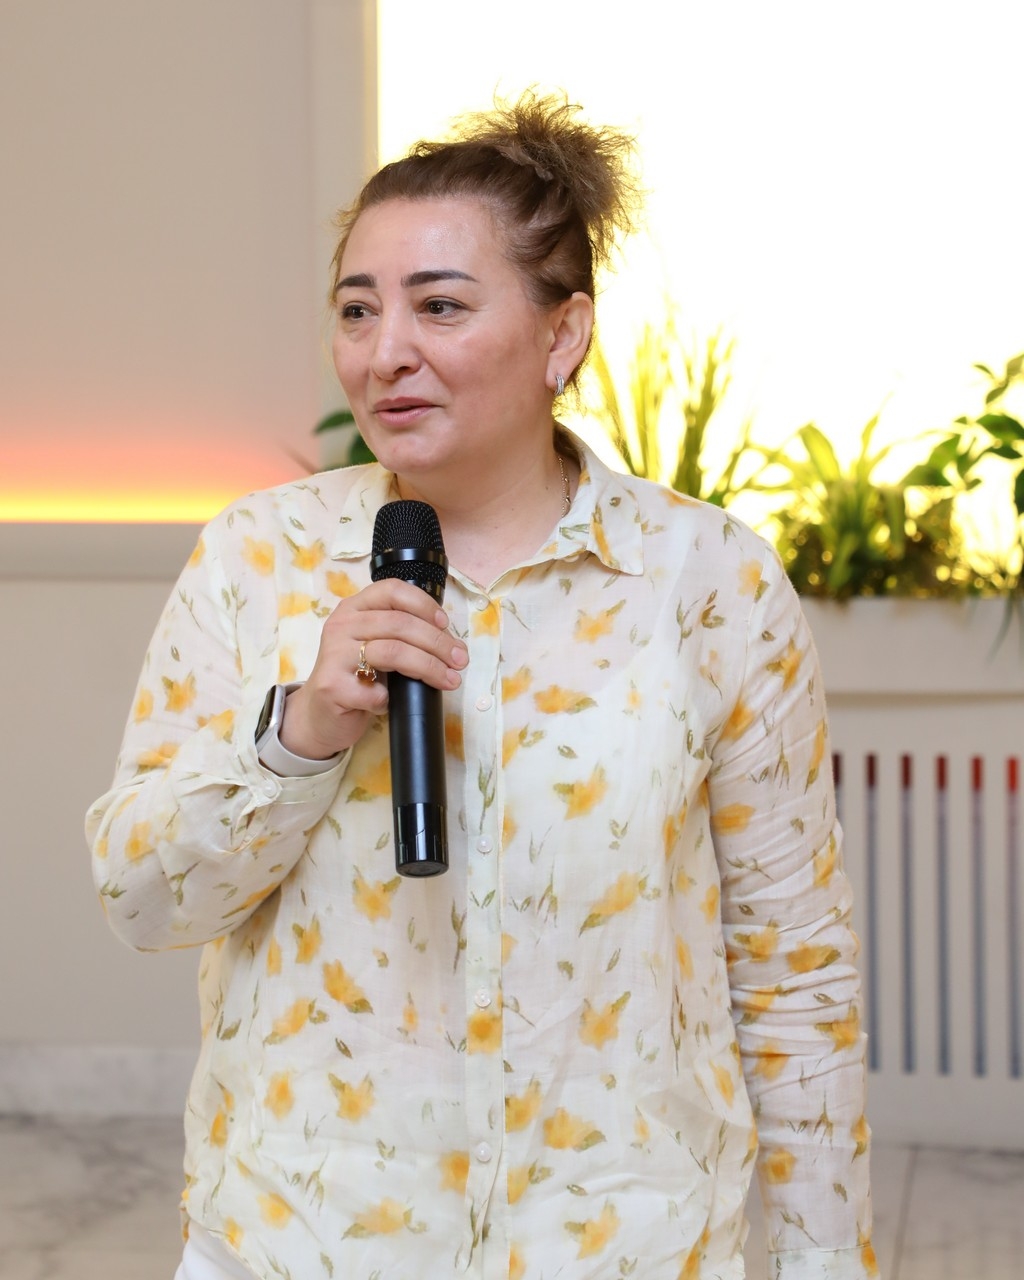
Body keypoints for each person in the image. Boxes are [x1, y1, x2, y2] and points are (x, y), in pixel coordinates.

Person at [86, 91, 876, 1279]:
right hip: (303, 1241)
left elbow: (795, 967)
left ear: (563, 336)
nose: (384, 351)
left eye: (440, 305)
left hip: (622, 1244)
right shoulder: (257, 559)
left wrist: (825, 1260)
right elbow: (142, 898)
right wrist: (301, 729)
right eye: (358, 309)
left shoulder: (707, 580)